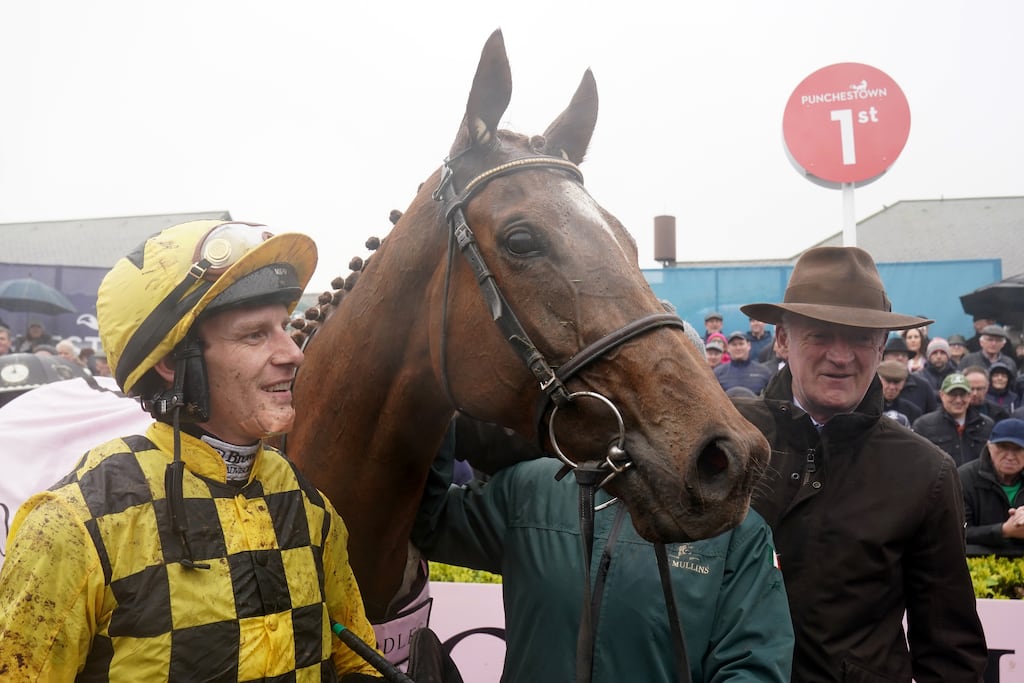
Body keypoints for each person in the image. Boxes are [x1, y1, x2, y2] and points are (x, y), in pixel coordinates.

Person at [0, 220, 385, 681]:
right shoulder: (71, 525)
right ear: (170, 362)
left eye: (284, 327)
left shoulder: (306, 500)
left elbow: (357, 660)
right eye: (255, 335)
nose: (293, 352)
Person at [734, 246, 987, 682]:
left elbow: (950, 650)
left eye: (859, 337)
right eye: (820, 334)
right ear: (781, 339)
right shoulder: (729, 439)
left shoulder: (924, 472)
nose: (841, 354)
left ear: (881, 346)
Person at [411, 424, 794, 682]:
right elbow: (429, 524)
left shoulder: (734, 527)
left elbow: (753, 665)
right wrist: (439, 413)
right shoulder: (531, 488)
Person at [959, 417, 1024, 556]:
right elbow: (960, 532)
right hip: (978, 562)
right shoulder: (964, 478)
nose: (1010, 456)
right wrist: (1003, 530)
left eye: (1018, 449)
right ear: (989, 446)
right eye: (1003, 447)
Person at [913, 373, 994, 466]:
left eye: (962, 394)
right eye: (952, 394)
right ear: (942, 395)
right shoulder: (924, 425)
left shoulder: (985, 425)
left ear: (969, 396)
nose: (958, 400)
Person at [714, 330, 772, 395]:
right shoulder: (718, 373)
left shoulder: (764, 372)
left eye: (741, 344)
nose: (738, 348)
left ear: (749, 345)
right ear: (728, 348)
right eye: (734, 344)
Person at [878, 359, 923, 424]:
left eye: (897, 382)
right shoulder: (866, 408)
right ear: (879, 380)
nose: (892, 387)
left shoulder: (913, 412)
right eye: (888, 381)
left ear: (904, 383)